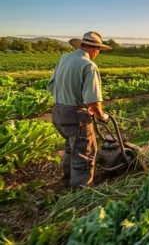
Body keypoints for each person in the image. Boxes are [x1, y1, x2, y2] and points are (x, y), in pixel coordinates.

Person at [47, 31, 112, 189]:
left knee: (71, 149)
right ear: (95, 49)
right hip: (75, 117)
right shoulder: (88, 65)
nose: (97, 54)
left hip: (58, 114)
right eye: (98, 51)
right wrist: (101, 115)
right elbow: (92, 100)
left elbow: (51, 86)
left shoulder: (64, 58)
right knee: (85, 153)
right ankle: (80, 192)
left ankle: (67, 182)